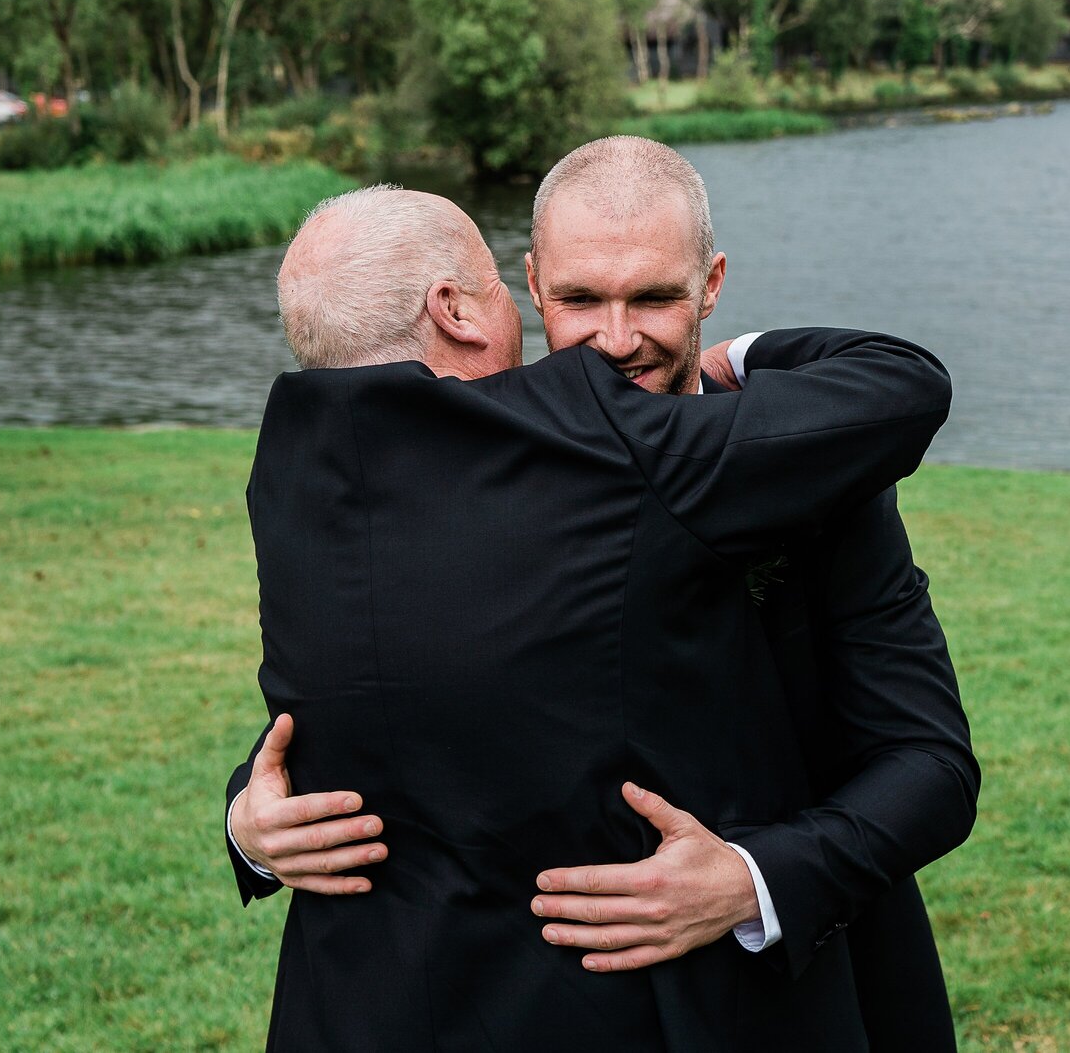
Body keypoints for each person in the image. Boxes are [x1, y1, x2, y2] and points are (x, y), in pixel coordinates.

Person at [231, 139, 978, 1048]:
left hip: (762, 998)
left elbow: (930, 764)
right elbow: (393, 688)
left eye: (655, 297)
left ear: (710, 284)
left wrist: (753, 879)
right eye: (581, 300)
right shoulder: (403, 479)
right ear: (533, 285)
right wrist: (251, 815)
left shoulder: (805, 462)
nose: (617, 339)